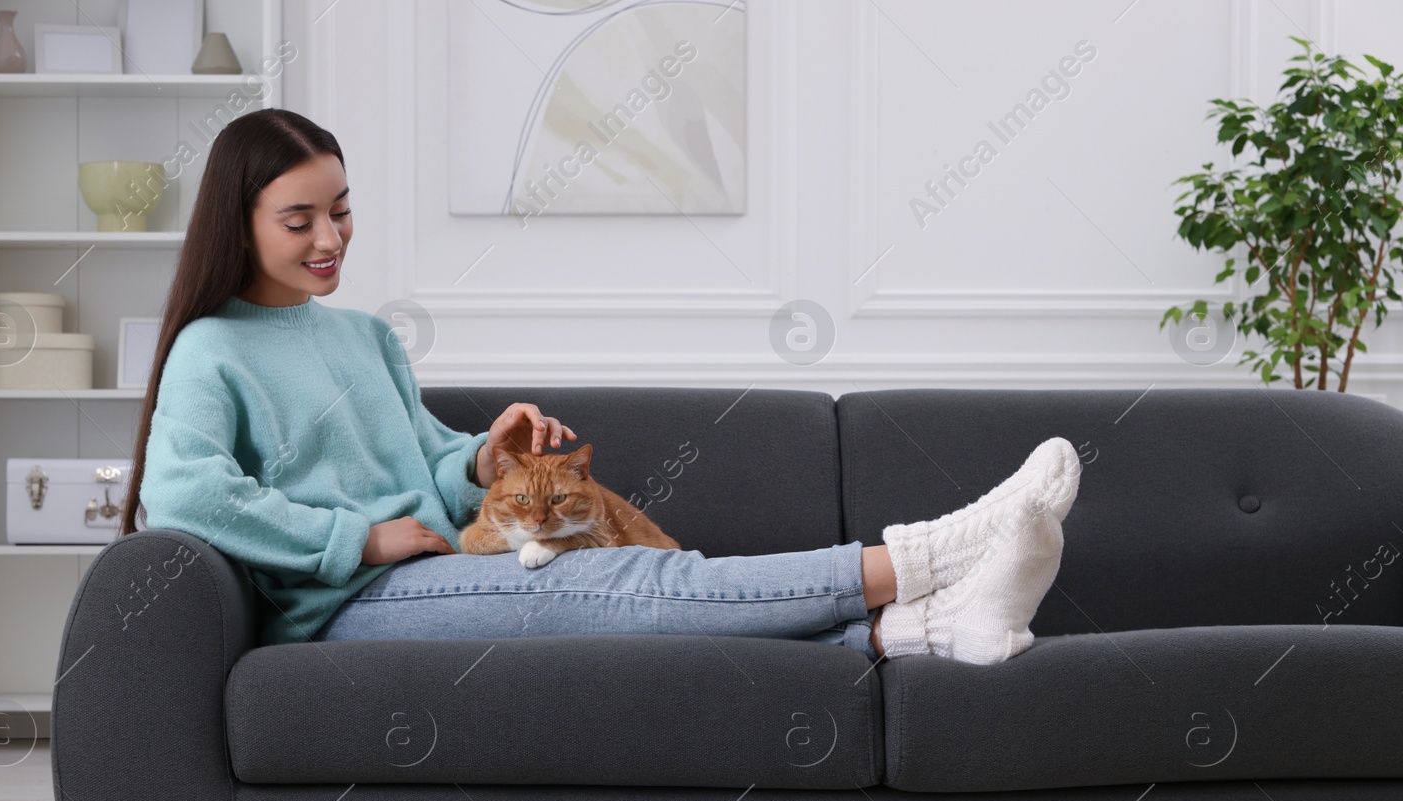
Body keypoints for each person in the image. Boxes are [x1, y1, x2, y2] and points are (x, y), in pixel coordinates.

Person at [123, 108, 1080, 665]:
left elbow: (429, 464)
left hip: (442, 565)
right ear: (238, 221)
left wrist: (483, 456)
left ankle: (920, 629)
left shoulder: (364, 336)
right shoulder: (212, 350)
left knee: (642, 605)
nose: (330, 240)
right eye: (299, 220)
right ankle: (937, 551)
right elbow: (185, 493)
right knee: (639, 579)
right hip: (355, 603)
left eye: (341, 212)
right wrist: (353, 538)